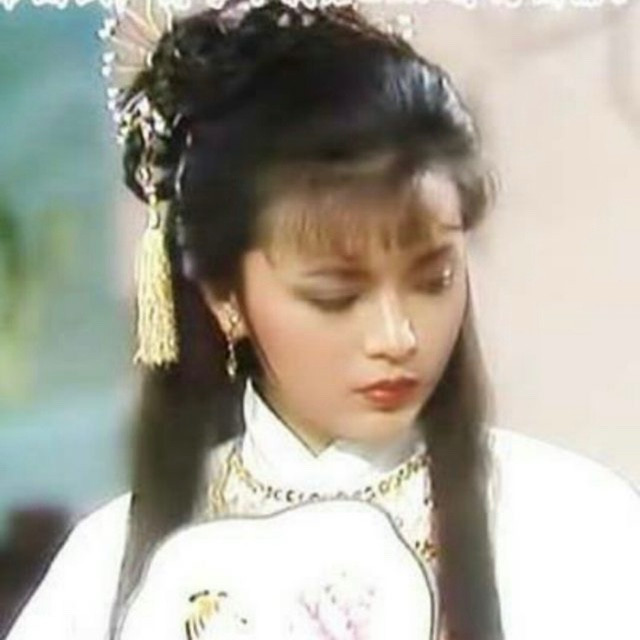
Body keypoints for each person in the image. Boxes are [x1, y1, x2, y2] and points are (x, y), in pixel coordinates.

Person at [6, 1, 640, 639]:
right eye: (335, 295)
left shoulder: (575, 525)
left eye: (433, 280)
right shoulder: (101, 573)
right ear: (225, 298)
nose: (398, 336)